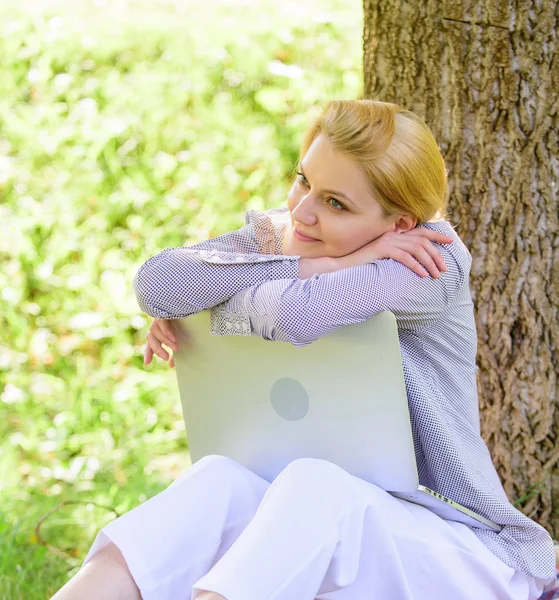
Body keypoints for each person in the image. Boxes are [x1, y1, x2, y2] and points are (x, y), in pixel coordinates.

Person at [51, 100, 557, 600]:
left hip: (460, 551)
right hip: (319, 525)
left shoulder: (428, 263)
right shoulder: (289, 236)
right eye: (303, 180)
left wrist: (212, 304)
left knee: (318, 486)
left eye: (336, 203)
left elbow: (294, 314)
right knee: (217, 481)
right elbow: (158, 285)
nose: (302, 211)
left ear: (400, 225)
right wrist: (321, 265)